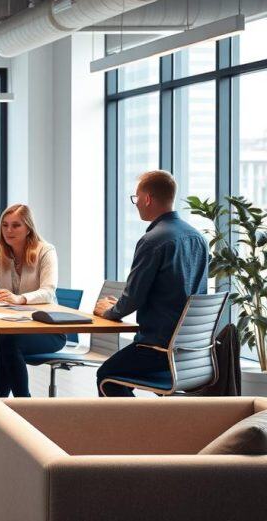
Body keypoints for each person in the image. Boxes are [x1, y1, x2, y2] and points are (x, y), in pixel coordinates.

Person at [94, 170, 209, 396]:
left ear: (147, 199)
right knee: (120, 373)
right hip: (190, 351)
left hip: (158, 349)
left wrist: (108, 311)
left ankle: (132, 432)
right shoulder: (198, 238)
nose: (136, 204)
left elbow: (133, 298)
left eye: (136, 198)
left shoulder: (152, 240)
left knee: (106, 376)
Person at [0, 204, 60, 398]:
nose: (9, 230)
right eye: (5, 225)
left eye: (16, 225)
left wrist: (20, 299)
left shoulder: (45, 251)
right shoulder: (1, 252)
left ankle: (23, 404)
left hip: (48, 330)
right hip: (12, 327)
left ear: (28, 228)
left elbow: (48, 291)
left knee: (7, 343)